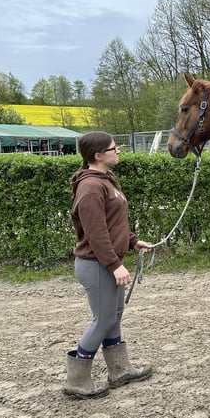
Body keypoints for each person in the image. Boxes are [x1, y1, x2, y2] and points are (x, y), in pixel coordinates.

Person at [64, 131, 154, 399]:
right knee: (102, 320)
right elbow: (96, 232)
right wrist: (115, 265)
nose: (118, 151)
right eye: (114, 148)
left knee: (113, 318)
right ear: (98, 155)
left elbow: (113, 224)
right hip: (97, 265)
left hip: (105, 263)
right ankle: (77, 381)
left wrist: (133, 242)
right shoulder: (91, 187)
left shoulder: (104, 181)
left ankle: (119, 370)